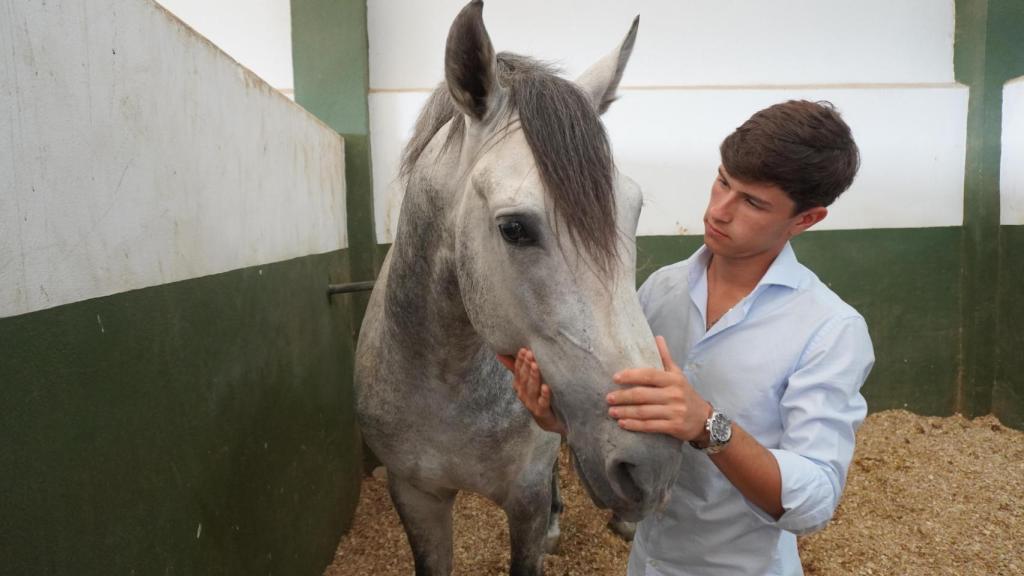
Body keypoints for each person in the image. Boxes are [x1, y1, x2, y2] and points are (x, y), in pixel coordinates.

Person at [501, 100, 875, 576]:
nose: (719, 210)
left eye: (753, 202)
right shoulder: (661, 290)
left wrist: (707, 426)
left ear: (806, 220)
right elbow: (623, 417)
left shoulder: (830, 330)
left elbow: (814, 502)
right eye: (723, 181)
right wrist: (559, 418)